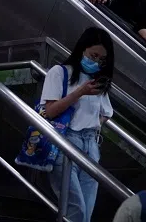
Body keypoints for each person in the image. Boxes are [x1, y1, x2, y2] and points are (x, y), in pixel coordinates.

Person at [43, 28, 114, 222]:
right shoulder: (60, 73)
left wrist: (92, 126)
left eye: (101, 60)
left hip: (91, 145)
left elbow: (107, 113)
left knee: (86, 213)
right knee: (76, 211)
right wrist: (79, 93)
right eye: (93, 55)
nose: (96, 62)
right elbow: (50, 111)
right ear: (82, 49)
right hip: (66, 142)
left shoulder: (97, 82)